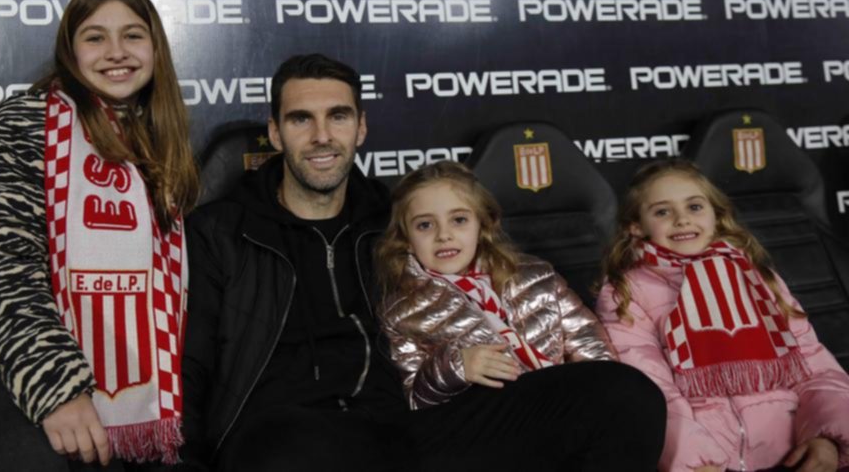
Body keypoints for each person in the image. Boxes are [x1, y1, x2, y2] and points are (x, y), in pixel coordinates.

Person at [181, 52, 667, 472]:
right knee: (289, 454)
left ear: (362, 126)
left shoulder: (395, 218)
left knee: (624, 394)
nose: (322, 135)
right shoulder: (221, 232)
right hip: (284, 435)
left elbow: (486, 273)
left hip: (408, 426)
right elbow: (192, 365)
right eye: (300, 119)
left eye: (339, 116)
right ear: (275, 131)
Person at [0, 0, 200, 471]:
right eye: (94, 37)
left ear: (155, 48)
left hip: (76, 361)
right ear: (70, 51)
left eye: (132, 35)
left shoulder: (156, 146)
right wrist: (57, 390)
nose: (115, 52)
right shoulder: (27, 124)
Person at [597, 158, 849, 472]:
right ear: (636, 226)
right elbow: (651, 386)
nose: (682, 220)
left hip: (794, 454)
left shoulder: (757, 277)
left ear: (716, 214)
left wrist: (826, 437)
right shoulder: (626, 291)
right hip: (708, 462)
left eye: (694, 207)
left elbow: (813, 363)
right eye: (662, 211)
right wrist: (693, 460)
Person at [376, 160, 616, 410]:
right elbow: (416, 402)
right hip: (489, 429)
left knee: (629, 388)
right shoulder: (400, 315)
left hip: (564, 410)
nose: (443, 235)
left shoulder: (538, 275)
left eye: (459, 220)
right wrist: (455, 369)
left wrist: (594, 400)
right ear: (405, 240)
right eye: (425, 225)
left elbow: (593, 349)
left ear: (482, 225)